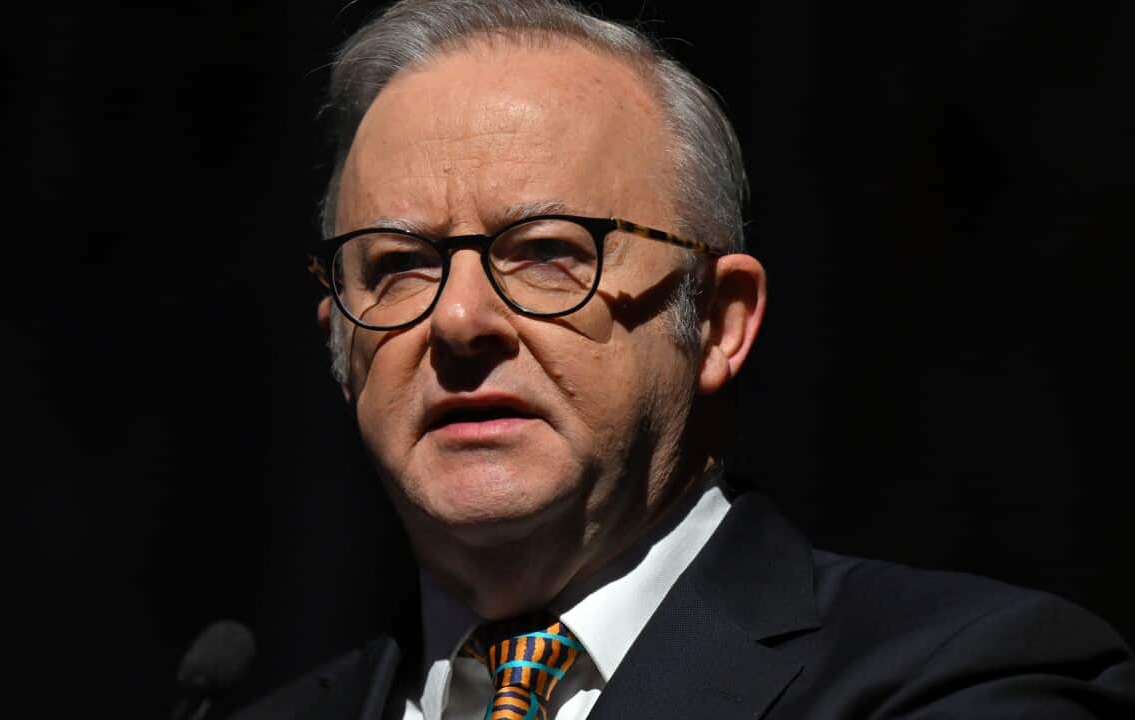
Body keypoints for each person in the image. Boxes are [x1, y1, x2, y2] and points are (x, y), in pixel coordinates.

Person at [234, 1, 1135, 717]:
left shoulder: (967, 676)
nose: (461, 320)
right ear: (339, 340)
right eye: (399, 266)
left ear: (717, 323)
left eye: (548, 253)